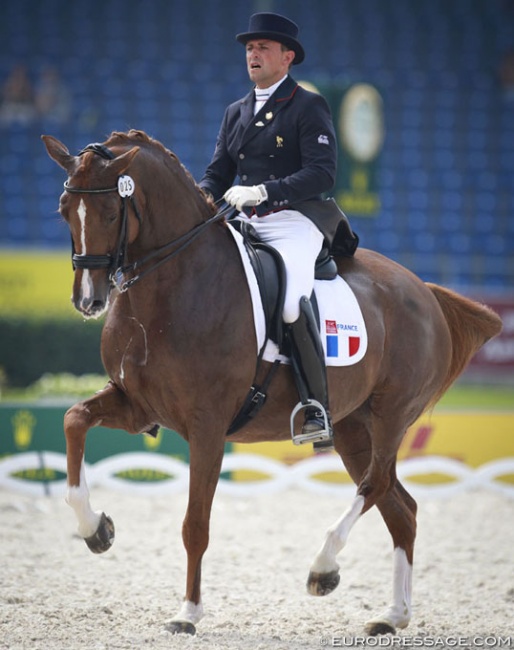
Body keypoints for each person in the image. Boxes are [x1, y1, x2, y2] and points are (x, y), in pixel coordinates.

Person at [199, 12, 340, 445]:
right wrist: (200, 201)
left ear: (287, 57)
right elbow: (217, 173)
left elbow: (322, 174)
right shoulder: (236, 111)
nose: (253, 55)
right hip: (244, 218)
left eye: (262, 48)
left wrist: (264, 191)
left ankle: (317, 406)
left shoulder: (307, 104)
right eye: (248, 49)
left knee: (293, 300)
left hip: (295, 220)